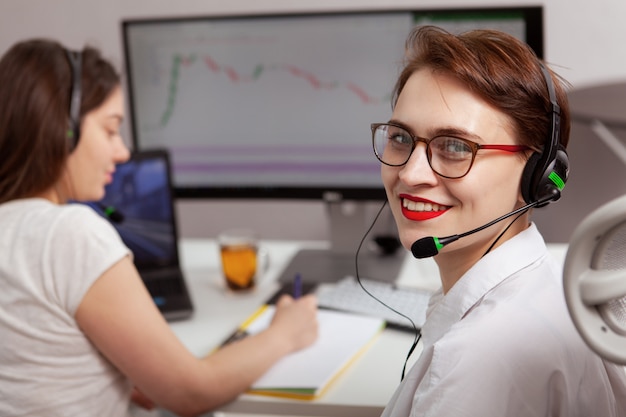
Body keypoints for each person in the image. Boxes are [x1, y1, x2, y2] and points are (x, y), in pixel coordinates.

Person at [0, 38, 318, 417]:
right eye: (110, 130)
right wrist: (284, 333)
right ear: (62, 129)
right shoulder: (69, 233)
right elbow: (192, 392)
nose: (121, 152)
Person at [373, 26, 626, 416]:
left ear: (539, 175)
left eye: (455, 146)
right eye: (400, 138)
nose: (410, 174)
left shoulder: (470, 366)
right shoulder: (548, 289)